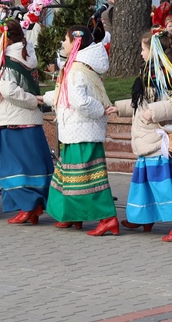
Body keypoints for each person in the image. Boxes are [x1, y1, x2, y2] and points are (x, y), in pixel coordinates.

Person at [107, 30, 172, 240]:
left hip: (156, 141)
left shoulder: (166, 77)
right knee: (142, 184)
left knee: (164, 186)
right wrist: (119, 108)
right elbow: (140, 103)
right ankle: (142, 216)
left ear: (155, 51)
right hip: (146, 141)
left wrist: (153, 112)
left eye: (143, 49)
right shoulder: (149, 74)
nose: (141, 53)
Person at [41, 26, 118, 236]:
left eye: (64, 41)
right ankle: (71, 215)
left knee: (86, 178)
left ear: (75, 43)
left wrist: (100, 110)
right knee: (68, 175)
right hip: (78, 129)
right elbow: (65, 95)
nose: (62, 45)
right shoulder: (80, 66)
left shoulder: (76, 68)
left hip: (81, 130)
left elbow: (79, 101)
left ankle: (108, 217)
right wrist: (44, 98)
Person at [0, 19, 53, 225]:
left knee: (13, 166)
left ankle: (28, 206)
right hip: (30, 120)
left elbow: (8, 90)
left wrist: (31, 100)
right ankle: (35, 205)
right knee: (32, 164)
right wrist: (34, 101)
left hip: (12, 120)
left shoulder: (6, 60)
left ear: (4, 39)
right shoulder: (27, 55)